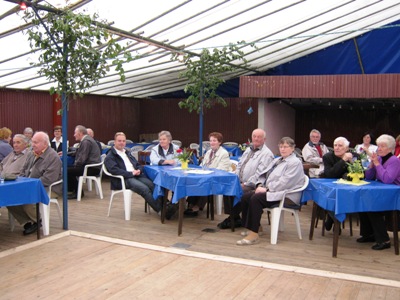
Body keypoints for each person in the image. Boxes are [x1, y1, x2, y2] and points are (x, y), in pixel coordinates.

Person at [236, 137, 304, 245]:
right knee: (245, 197)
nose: (282, 149)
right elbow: (263, 174)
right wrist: (259, 185)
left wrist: (267, 189)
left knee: (256, 198)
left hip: (286, 195)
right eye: (281, 147)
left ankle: (254, 235)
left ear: (292, 148)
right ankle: (255, 227)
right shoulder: (277, 160)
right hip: (273, 191)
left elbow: (285, 182)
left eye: (285, 147)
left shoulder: (295, 163)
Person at [217, 128, 274, 229]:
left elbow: (260, 174)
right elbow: (239, 165)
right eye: (254, 136)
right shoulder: (248, 149)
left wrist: (246, 183)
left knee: (237, 190)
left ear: (264, 139)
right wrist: (236, 179)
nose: (256, 139)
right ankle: (234, 217)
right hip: (240, 181)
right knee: (227, 187)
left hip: (254, 184)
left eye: (259, 137)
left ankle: (233, 219)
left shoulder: (267, 154)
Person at [7, 131, 62, 235]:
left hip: (47, 188)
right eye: (32, 142)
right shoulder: (32, 153)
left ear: (45, 144)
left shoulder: (53, 157)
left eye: (36, 142)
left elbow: (48, 179)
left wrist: (28, 185)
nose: (33, 144)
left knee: (27, 202)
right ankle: (28, 221)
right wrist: (22, 183)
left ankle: (38, 220)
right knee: (9, 199)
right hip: (29, 185)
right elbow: (23, 171)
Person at [358, 134, 400, 250]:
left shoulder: (394, 161)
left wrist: (377, 164)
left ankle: (384, 240)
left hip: (395, 196)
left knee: (373, 208)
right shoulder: (380, 158)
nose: (379, 149)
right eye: (378, 146)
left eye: (383, 146)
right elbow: (369, 177)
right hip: (383, 193)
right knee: (363, 204)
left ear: (391, 149)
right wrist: (372, 164)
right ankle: (369, 234)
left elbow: (387, 179)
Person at [104, 132, 162, 213]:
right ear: (114, 142)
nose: (122, 143)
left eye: (123, 141)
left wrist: (139, 170)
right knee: (144, 189)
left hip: (136, 176)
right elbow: (114, 170)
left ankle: (165, 206)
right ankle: (161, 210)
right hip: (123, 179)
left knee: (153, 185)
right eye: (119, 141)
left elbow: (138, 164)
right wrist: (131, 173)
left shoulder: (127, 152)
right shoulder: (110, 156)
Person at [184, 132, 231, 216]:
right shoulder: (209, 152)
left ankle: (197, 206)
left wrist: (208, 171)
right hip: (206, 176)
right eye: (211, 141)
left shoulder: (224, 153)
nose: (212, 143)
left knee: (206, 184)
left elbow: (222, 170)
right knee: (195, 181)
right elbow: (202, 165)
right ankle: (191, 204)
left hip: (218, 179)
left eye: (214, 141)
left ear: (219, 142)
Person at [322, 136, 358, 231]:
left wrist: (351, 161)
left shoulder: (354, 156)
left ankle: (331, 219)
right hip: (331, 187)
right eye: (335, 145)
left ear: (346, 148)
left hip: (349, 189)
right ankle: (336, 221)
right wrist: (343, 161)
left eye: (340, 146)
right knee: (332, 197)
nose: (336, 148)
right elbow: (330, 174)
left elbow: (360, 174)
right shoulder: (328, 157)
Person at [67, 125, 101, 199]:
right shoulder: (86, 140)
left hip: (92, 168)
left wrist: (75, 165)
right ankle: (74, 190)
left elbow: (82, 159)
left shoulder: (86, 142)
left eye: (75, 133)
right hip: (92, 167)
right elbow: (78, 152)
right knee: (69, 169)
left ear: (80, 133)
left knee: (67, 171)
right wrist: (65, 153)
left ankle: (77, 192)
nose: (74, 135)